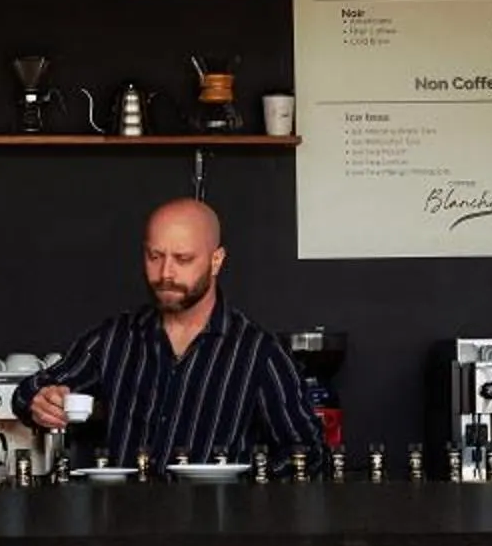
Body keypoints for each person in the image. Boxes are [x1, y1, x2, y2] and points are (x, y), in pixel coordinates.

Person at [24, 198, 325, 470]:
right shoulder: (115, 338)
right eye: (155, 256)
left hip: (217, 525)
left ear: (216, 260)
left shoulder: (258, 352)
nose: (165, 273)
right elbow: (33, 390)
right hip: (121, 522)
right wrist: (39, 401)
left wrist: (248, 492)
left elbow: (308, 453)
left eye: (183, 259)